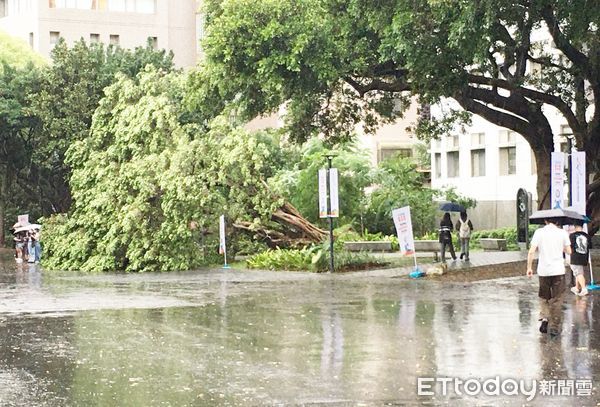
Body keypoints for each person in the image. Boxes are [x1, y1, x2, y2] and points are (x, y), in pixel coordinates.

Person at [527, 218, 571, 337]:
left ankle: (545, 318)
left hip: (543, 271)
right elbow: (569, 251)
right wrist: (561, 247)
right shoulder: (562, 233)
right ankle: (555, 327)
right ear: (557, 221)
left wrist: (529, 268)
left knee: (543, 297)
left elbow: (531, 251)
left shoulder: (539, 232)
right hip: (558, 271)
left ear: (545, 221)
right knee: (557, 298)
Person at [569, 221, 590, 296]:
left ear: (575, 226)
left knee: (578, 273)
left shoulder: (572, 235)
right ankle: (577, 287)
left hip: (575, 257)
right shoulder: (587, 236)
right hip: (584, 256)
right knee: (578, 272)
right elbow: (589, 246)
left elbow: (570, 246)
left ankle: (584, 289)